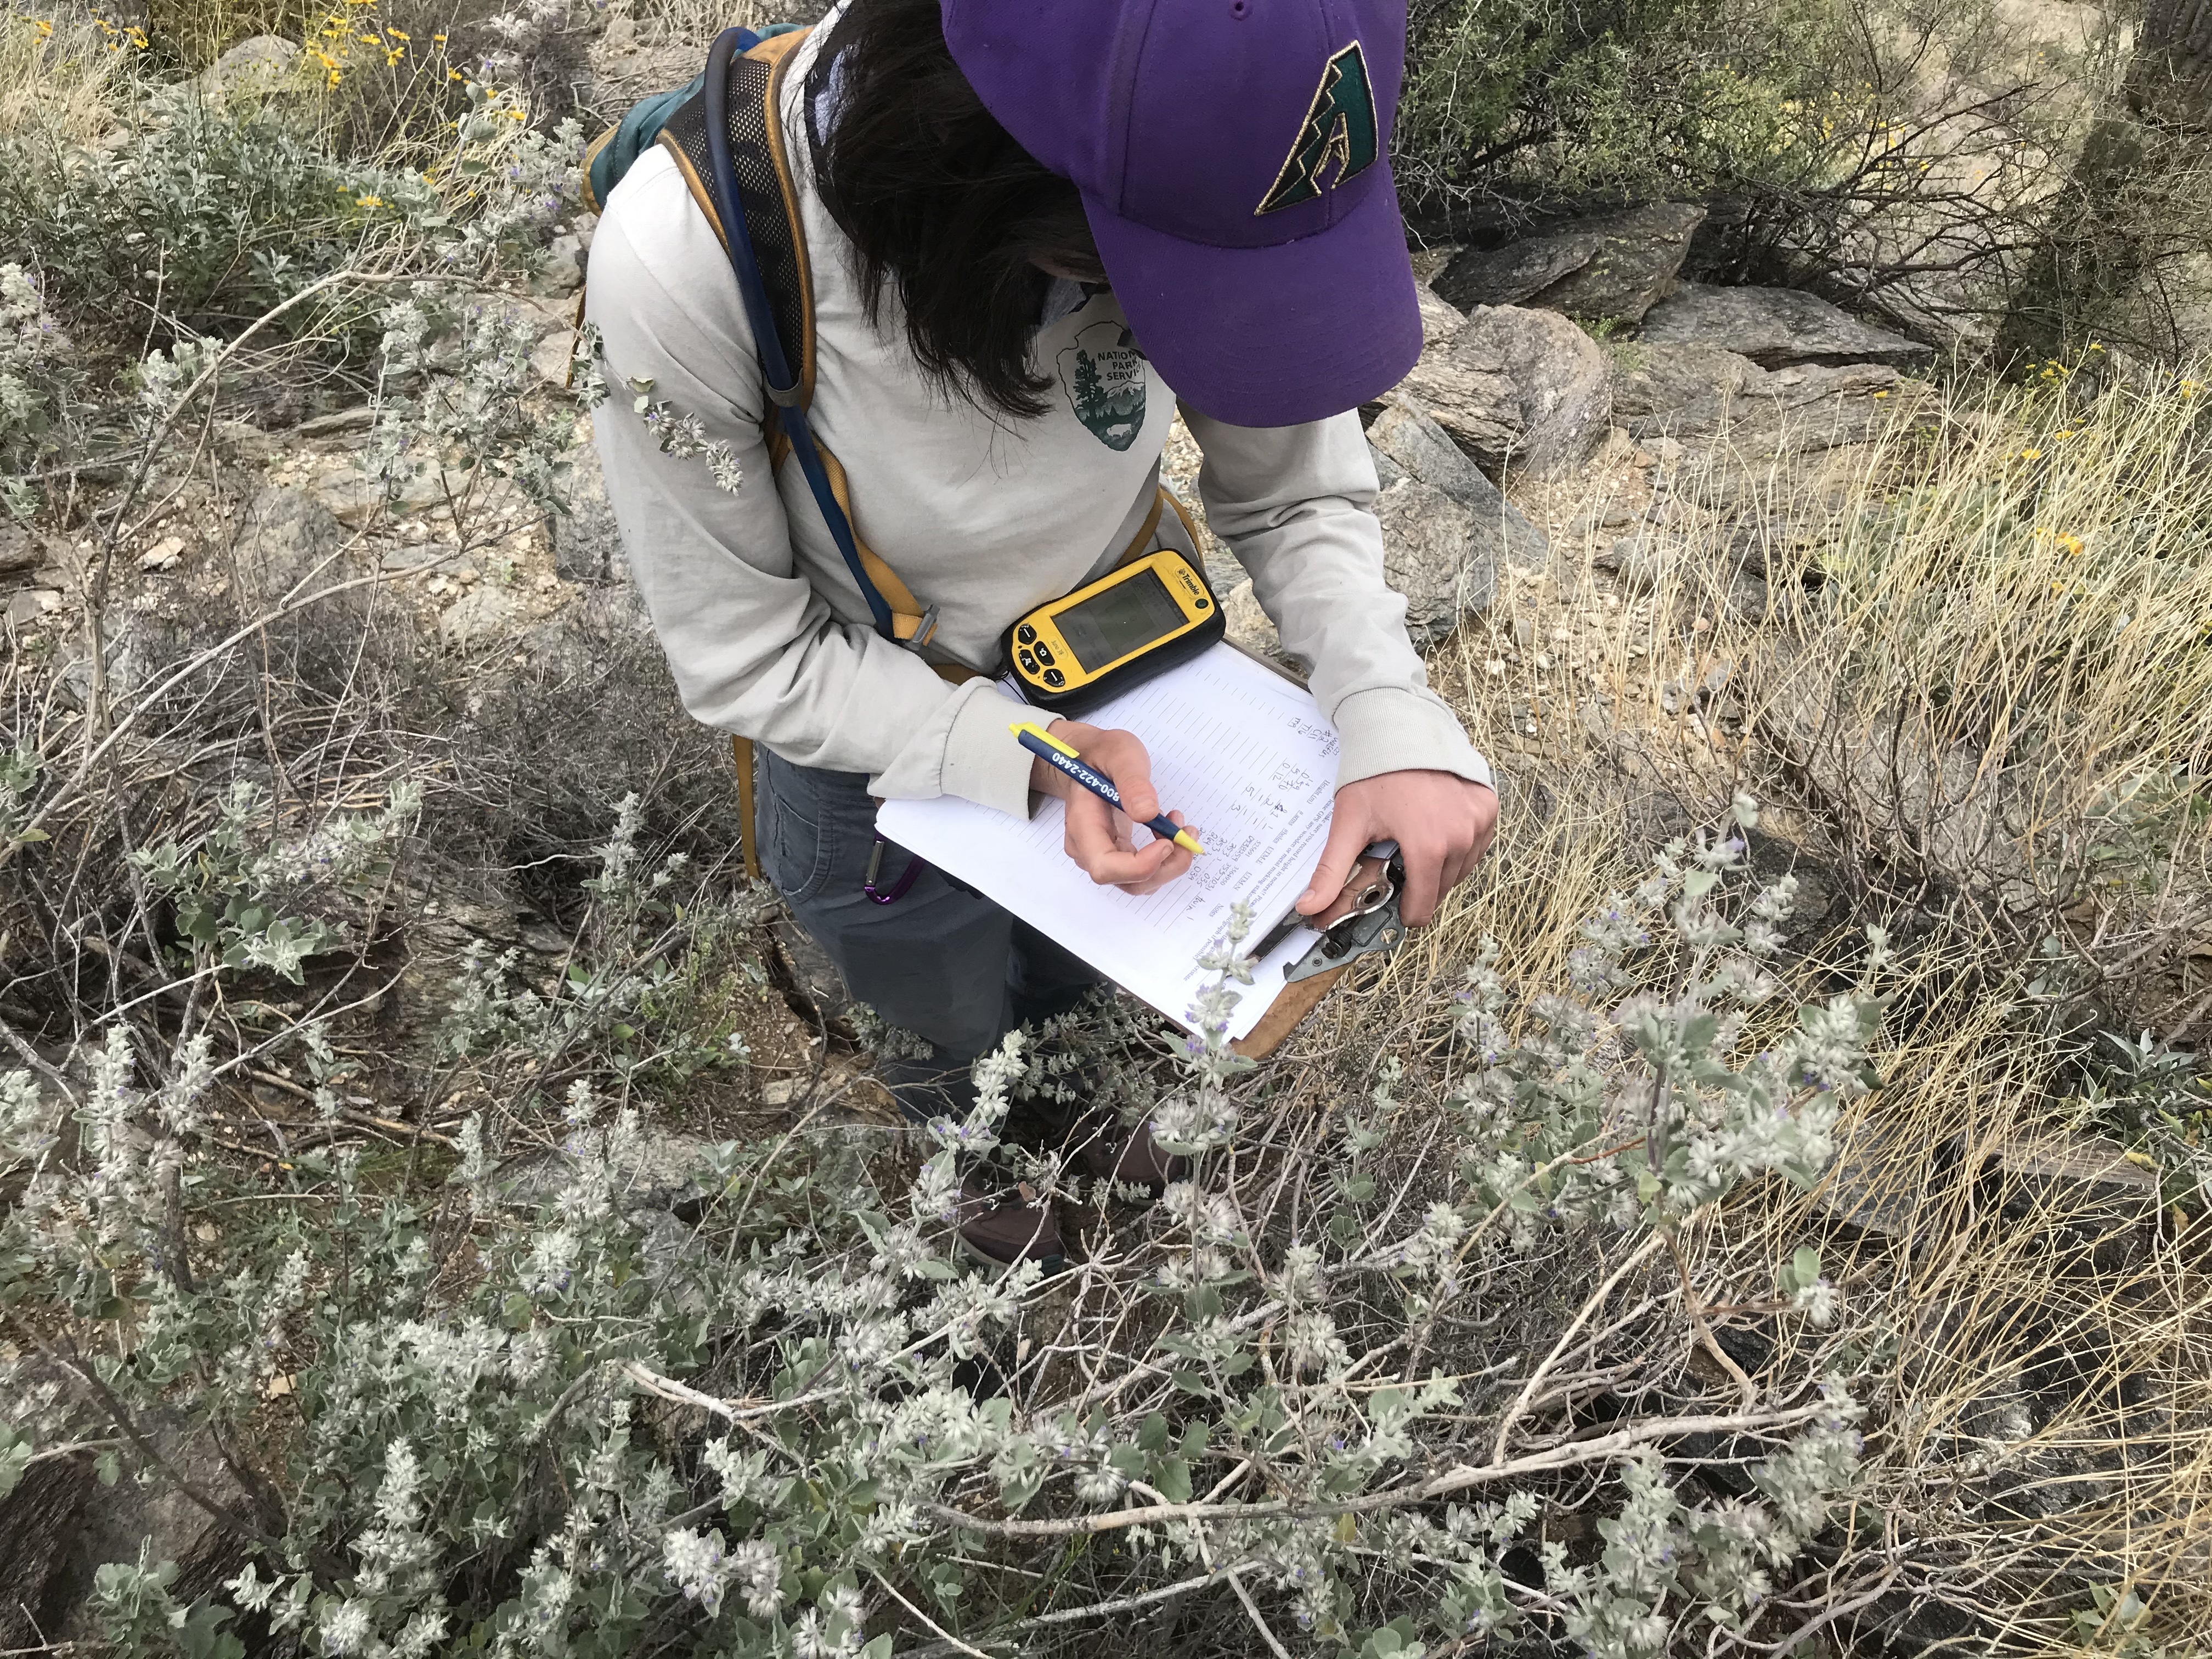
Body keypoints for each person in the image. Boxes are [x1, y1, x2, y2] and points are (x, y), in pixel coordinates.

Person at [586, 0, 1499, 1265]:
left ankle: (1074, 1107)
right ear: (986, 176)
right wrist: (1024, 757)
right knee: (936, 1003)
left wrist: (1385, 706)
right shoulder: (689, 258)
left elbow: (1290, 485)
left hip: (1134, 685)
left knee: (1083, 979)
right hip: (874, 761)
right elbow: (750, 656)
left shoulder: (1238, 141)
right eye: (1150, 276)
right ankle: (975, 1158)